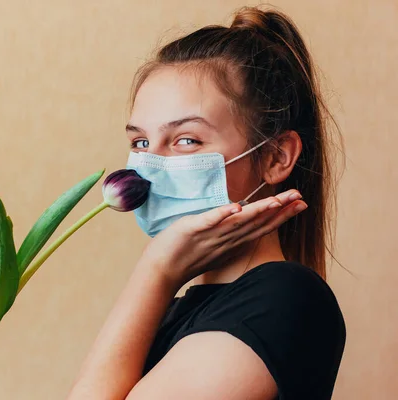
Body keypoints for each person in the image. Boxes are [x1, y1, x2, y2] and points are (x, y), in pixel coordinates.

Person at [66, 5, 346, 400]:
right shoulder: (178, 312)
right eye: (141, 142)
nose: (150, 166)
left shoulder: (284, 299)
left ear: (275, 157)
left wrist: (157, 268)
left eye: (186, 140)